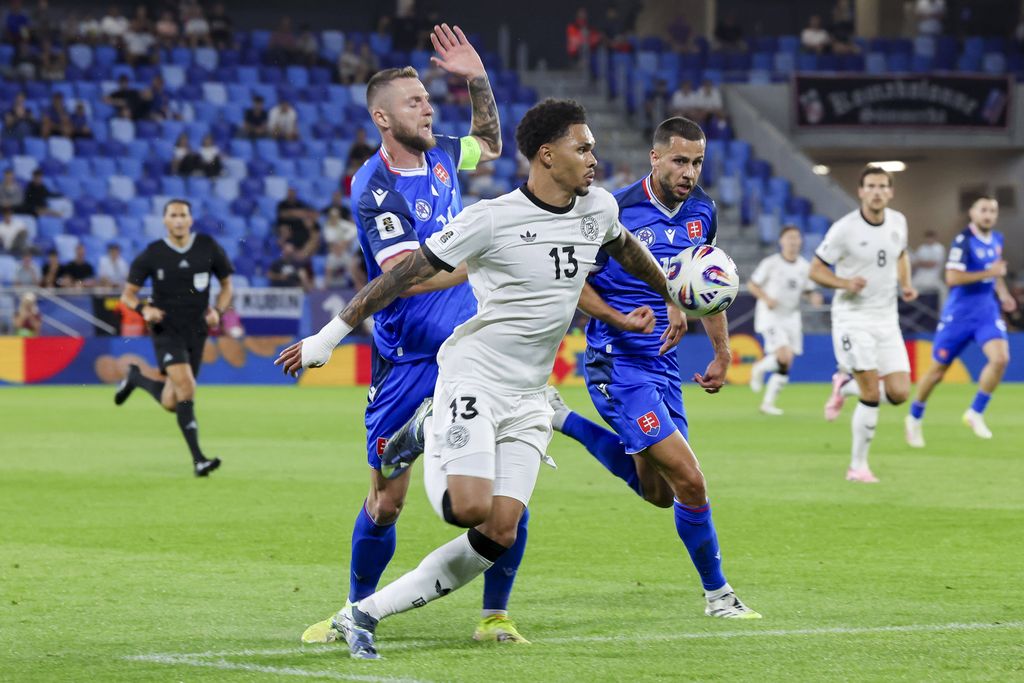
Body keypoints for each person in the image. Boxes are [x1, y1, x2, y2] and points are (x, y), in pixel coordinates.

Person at [277, 95, 688, 660]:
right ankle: (421, 429)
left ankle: (361, 616)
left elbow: (629, 250)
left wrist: (672, 296)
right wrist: (327, 337)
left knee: (499, 532)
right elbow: (403, 276)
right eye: (583, 147)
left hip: (529, 397)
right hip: (474, 379)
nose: (595, 158)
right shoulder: (491, 218)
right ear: (547, 156)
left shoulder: (597, 208)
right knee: (465, 509)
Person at [289, 24, 547, 653]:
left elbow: (487, 143)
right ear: (382, 117)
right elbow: (406, 278)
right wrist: (491, 256)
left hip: (473, 350)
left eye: (430, 99)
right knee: (385, 498)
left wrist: (476, 76)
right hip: (406, 358)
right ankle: (355, 607)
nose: (429, 107)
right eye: (414, 102)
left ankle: (494, 613)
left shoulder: (440, 156)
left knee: (499, 482)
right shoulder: (374, 187)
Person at [546, 116, 760, 619]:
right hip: (616, 362)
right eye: (681, 160)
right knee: (691, 480)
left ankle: (563, 421)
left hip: (664, 364)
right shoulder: (613, 209)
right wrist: (622, 317)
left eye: (698, 162)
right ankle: (719, 595)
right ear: (656, 158)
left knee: (660, 493)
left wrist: (723, 352)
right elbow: (574, 282)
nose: (690, 171)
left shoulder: (702, 211)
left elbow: (704, 284)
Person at [810, 166, 918, 483]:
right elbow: (815, 270)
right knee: (872, 392)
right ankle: (858, 466)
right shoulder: (845, 229)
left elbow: (900, 255)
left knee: (899, 393)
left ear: (891, 191)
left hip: (887, 319)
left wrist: (906, 283)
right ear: (860, 191)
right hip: (852, 318)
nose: (877, 191)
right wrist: (843, 282)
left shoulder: (899, 221)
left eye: (883, 186)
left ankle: (845, 385)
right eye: (871, 186)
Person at [113, 199, 234, 477]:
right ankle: (199, 460)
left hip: (197, 330)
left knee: (172, 400)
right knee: (187, 387)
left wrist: (217, 310)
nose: (178, 220)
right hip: (166, 330)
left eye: (183, 215)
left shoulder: (208, 247)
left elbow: (227, 286)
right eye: (173, 215)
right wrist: (145, 309)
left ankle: (136, 378)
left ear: (191, 219)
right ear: (165, 221)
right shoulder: (153, 254)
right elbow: (127, 295)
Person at [905, 196, 1016, 446]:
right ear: (973, 213)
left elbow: (996, 272)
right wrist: (991, 273)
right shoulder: (963, 241)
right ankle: (914, 417)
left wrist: (1004, 294)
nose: (988, 215)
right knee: (937, 372)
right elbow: (953, 278)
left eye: (992, 211)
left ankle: (975, 412)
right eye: (983, 210)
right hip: (959, 315)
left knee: (1000, 359)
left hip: (987, 312)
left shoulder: (997, 239)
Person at [748, 225, 821, 415]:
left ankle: (767, 403)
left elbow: (807, 290)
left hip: (791, 317)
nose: (793, 241)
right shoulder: (771, 263)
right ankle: (758, 369)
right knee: (784, 354)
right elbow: (752, 284)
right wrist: (766, 298)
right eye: (789, 237)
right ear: (781, 241)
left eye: (796, 238)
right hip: (770, 315)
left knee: (786, 362)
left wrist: (812, 297)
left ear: (801, 241)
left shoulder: (804, 267)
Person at [910, 229, 946, 301]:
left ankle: (942, 311)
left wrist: (920, 263)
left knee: (944, 291)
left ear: (934, 238)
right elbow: (914, 263)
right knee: (907, 288)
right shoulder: (922, 248)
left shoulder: (939, 248)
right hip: (920, 277)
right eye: (927, 238)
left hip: (933, 278)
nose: (929, 240)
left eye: (931, 238)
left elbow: (932, 264)